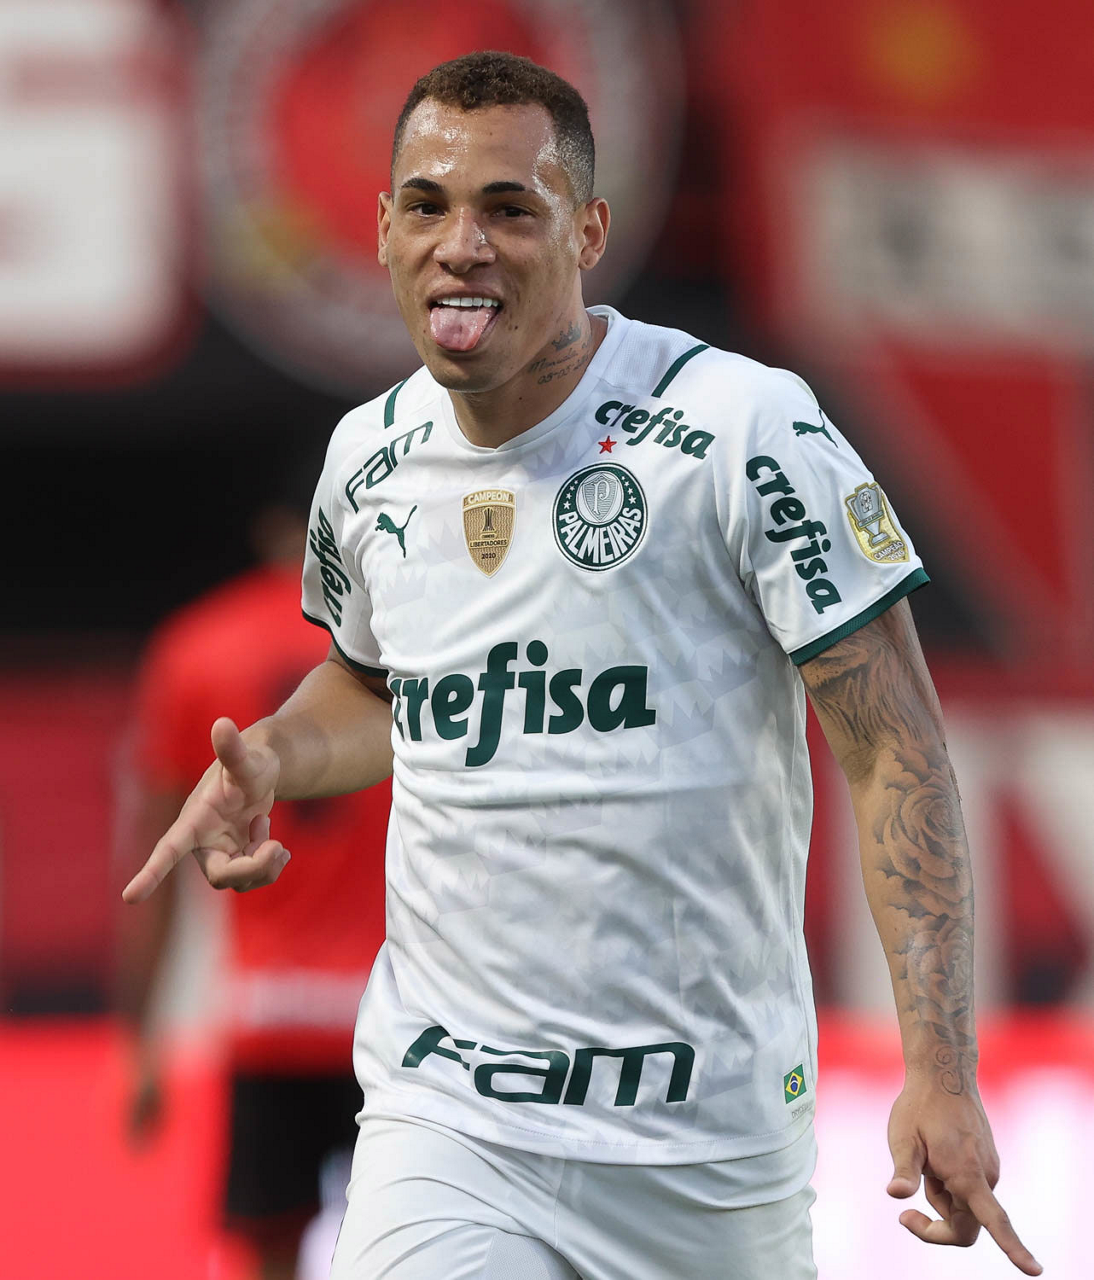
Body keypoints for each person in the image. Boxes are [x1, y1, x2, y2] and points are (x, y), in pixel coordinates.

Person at [123, 51, 1042, 1279]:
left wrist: (938, 1065)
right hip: (449, 1119)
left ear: (588, 231)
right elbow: (377, 686)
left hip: (705, 1148)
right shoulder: (367, 462)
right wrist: (277, 753)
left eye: (509, 208)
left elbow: (892, 750)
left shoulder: (743, 430)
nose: (461, 245)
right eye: (426, 205)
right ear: (383, 229)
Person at [116, 501, 390, 1280]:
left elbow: (156, 859)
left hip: (267, 1013)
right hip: (395, 1011)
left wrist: (138, 1040)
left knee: (268, 1253)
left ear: (270, 528)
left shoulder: (196, 645)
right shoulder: (414, 639)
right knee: (415, 1244)